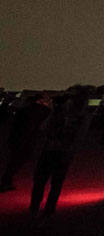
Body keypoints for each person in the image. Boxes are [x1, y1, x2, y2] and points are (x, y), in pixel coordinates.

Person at [30, 88, 91, 221]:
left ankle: (35, 209)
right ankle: (47, 213)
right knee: (55, 185)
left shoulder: (59, 112)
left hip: (50, 151)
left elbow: (43, 128)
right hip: (62, 153)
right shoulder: (82, 116)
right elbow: (80, 137)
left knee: (40, 182)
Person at [1, 95, 51, 192]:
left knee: (13, 160)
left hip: (17, 138)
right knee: (18, 161)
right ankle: (6, 181)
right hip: (27, 139)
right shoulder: (42, 111)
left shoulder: (24, 110)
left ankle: (6, 181)